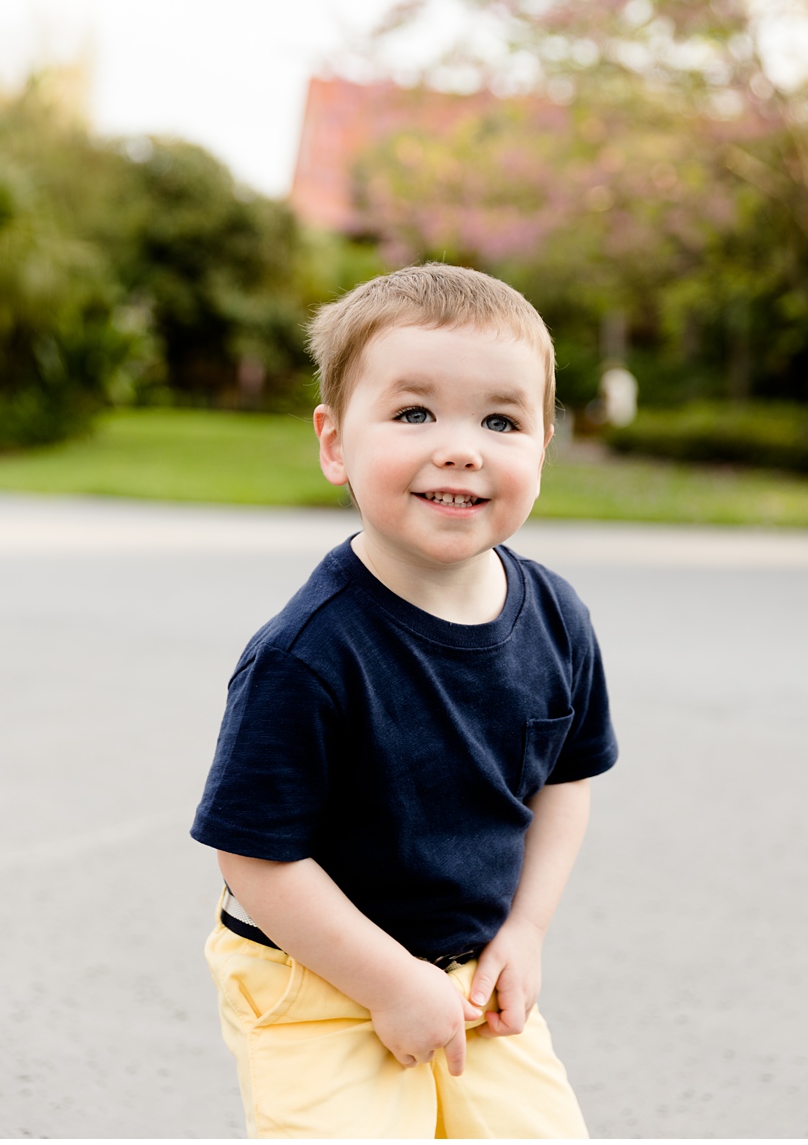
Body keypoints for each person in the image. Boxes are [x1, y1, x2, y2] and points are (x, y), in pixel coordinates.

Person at [192, 263, 615, 1137]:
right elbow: (255, 858)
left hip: (475, 967)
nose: (460, 446)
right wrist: (390, 981)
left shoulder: (558, 617)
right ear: (336, 442)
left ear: (543, 446)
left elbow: (567, 776)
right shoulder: (306, 655)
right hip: (319, 975)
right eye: (414, 412)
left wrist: (525, 932)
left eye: (501, 419)